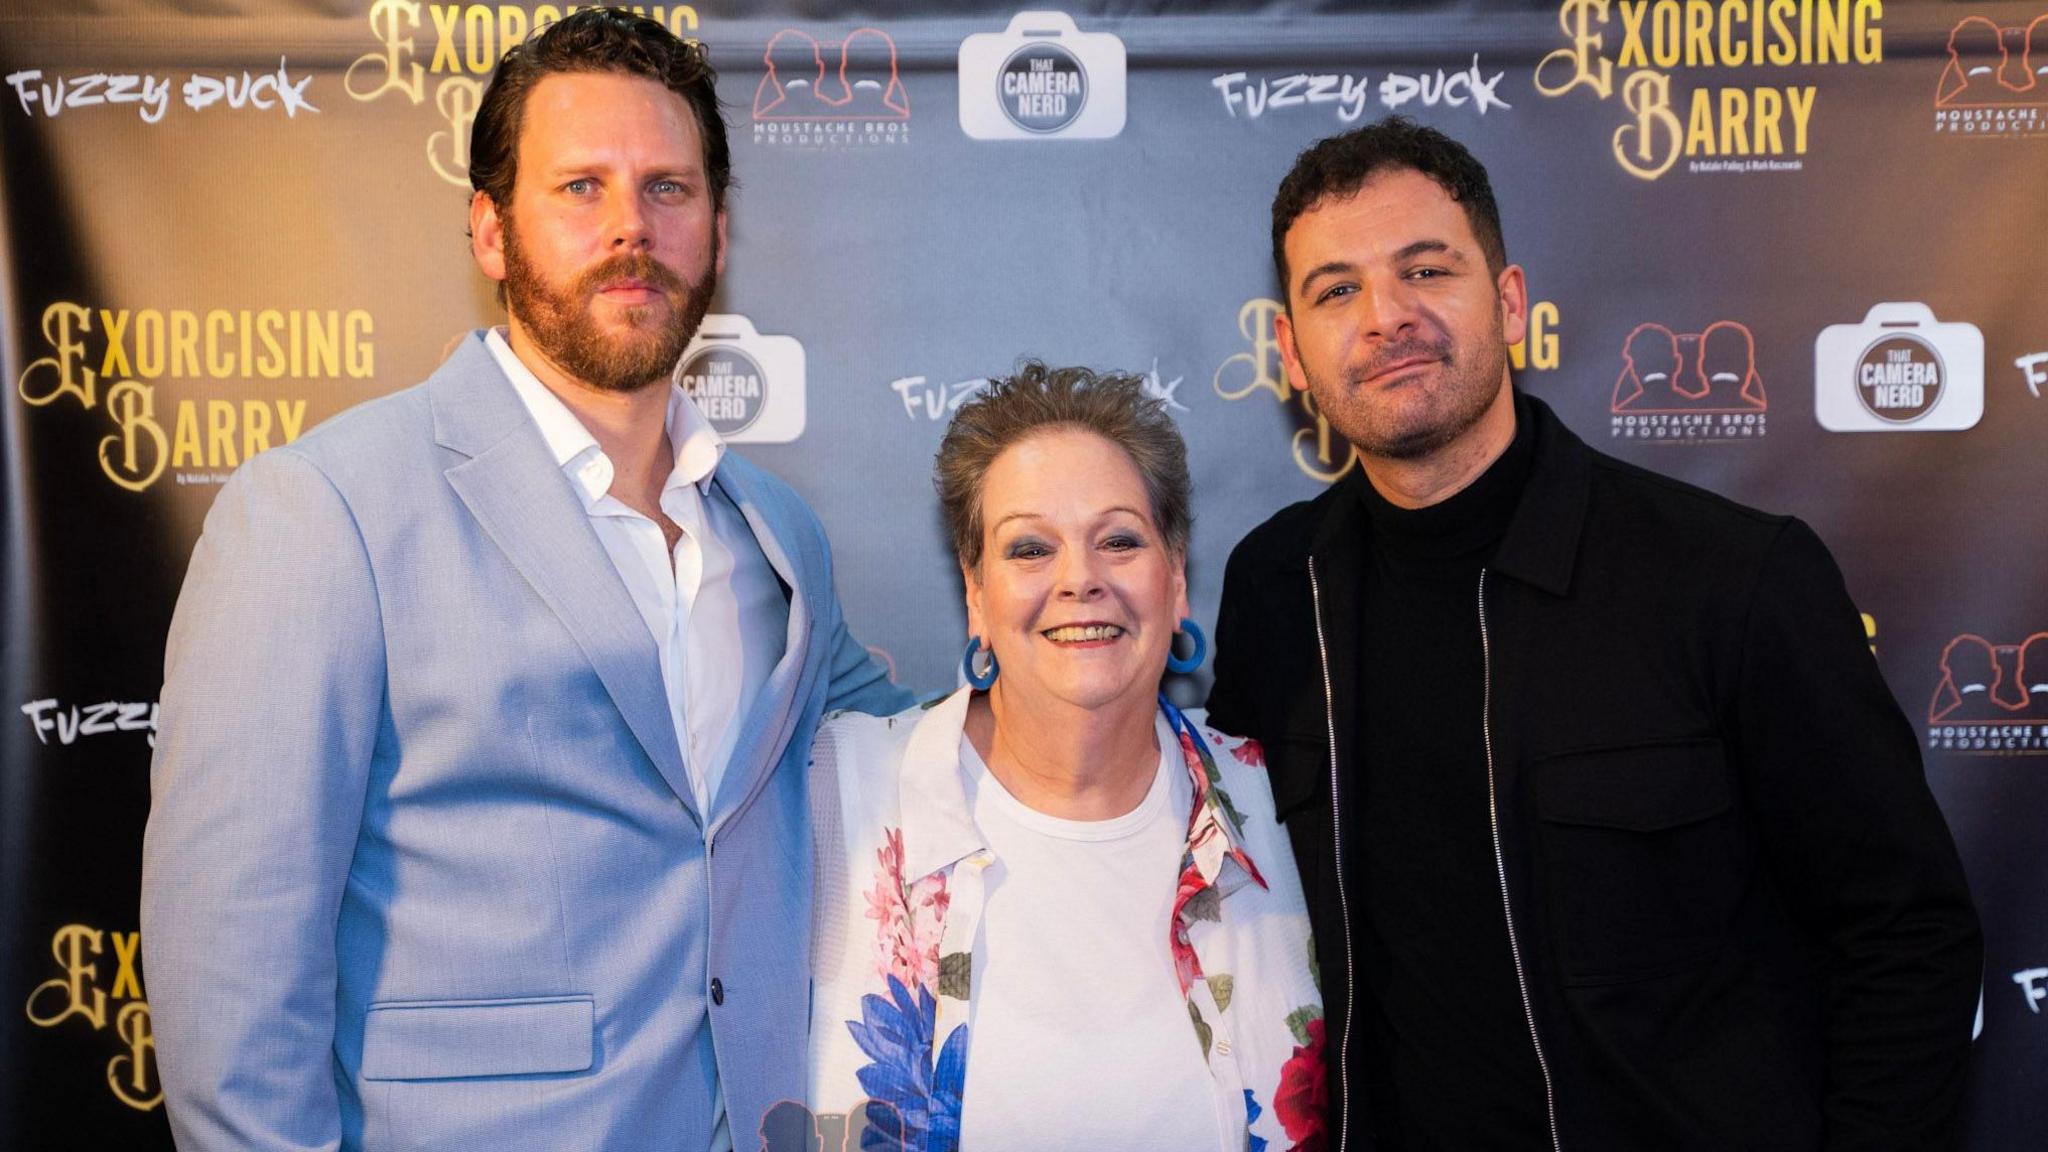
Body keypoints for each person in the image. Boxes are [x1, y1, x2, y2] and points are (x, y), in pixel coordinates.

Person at [140, 11, 908, 1151]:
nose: (629, 230)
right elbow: (232, 975)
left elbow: (917, 760)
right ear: (490, 232)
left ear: (718, 227)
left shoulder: (776, 535)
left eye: (667, 189)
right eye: (580, 189)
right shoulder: (321, 514)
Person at [1207, 117, 1981, 1151]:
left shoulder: (1729, 577)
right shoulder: (1271, 587)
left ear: (1511, 303)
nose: (1384, 316)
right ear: (1289, 354)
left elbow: (1903, 936)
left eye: (1425, 270)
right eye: (1335, 289)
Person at [806, 364, 1327, 1152]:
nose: (1081, 579)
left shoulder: (1283, 805)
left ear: (1177, 578)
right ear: (976, 595)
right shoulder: (836, 795)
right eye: (1029, 548)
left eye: (1119, 539)